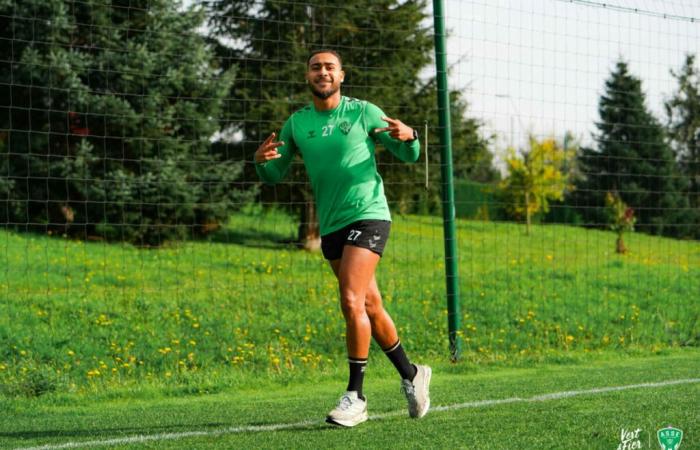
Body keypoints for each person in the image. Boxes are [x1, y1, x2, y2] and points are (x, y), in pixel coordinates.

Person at [254, 49, 431, 428]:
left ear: (342, 75)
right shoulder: (297, 124)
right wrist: (260, 161)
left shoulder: (363, 111)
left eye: (329, 67)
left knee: (350, 299)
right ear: (307, 77)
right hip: (332, 225)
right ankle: (412, 374)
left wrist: (410, 136)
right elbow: (274, 174)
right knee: (369, 304)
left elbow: (408, 155)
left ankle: (356, 396)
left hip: (369, 213)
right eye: (316, 67)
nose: (323, 72)